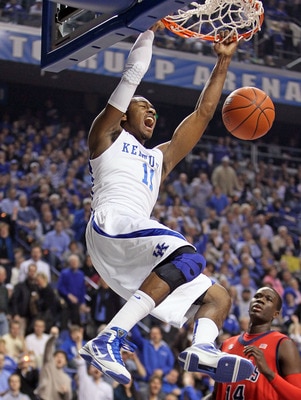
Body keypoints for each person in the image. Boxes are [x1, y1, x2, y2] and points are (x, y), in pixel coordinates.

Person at [79, 22, 254, 386]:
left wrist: (222, 62)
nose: (153, 111)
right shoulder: (105, 137)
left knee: (218, 297)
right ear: (124, 113)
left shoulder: (160, 159)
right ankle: (109, 337)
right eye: (145, 105)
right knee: (188, 256)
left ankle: (203, 346)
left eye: (156, 109)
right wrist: (147, 29)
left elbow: (204, 114)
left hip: (128, 243)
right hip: (112, 222)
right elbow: (133, 74)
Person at [204, 286, 301, 399]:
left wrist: (269, 373)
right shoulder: (226, 344)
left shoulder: (283, 344)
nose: (260, 300)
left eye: (268, 299)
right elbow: (216, 394)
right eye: (257, 296)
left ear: (276, 314)